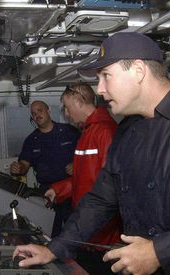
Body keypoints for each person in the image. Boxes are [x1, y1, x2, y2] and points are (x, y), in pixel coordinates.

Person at [13, 32, 170, 275]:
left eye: (105, 76)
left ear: (138, 71)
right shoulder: (127, 131)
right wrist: (54, 248)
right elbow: (100, 201)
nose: (99, 89)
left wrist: (160, 253)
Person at [44, 82, 122, 274]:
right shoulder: (87, 133)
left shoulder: (106, 132)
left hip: (102, 236)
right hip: (86, 230)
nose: (67, 114)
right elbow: (82, 177)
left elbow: (110, 187)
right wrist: (58, 189)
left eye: (67, 108)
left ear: (80, 102)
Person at [10, 100, 79, 237]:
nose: (37, 115)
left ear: (49, 111)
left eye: (40, 110)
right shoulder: (31, 140)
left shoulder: (69, 131)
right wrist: (18, 168)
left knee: (75, 231)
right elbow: (24, 165)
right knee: (49, 232)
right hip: (46, 192)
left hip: (71, 188)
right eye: (33, 113)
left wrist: (77, 165)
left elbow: (88, 154)